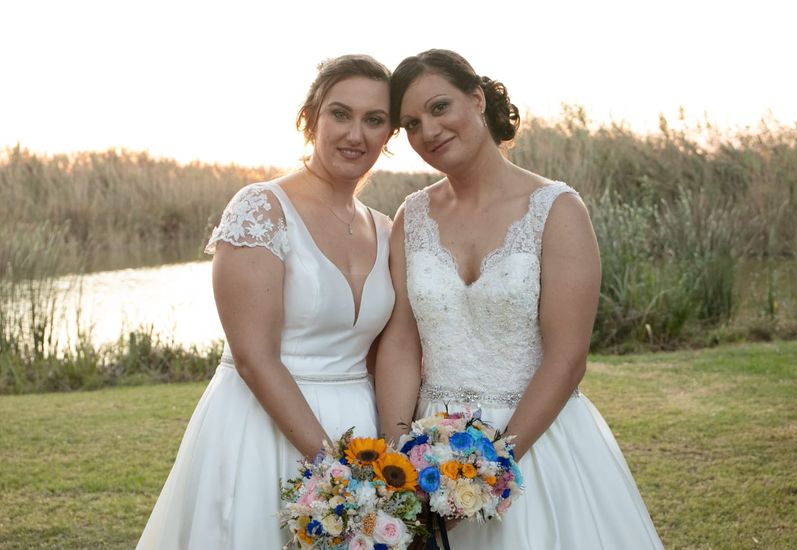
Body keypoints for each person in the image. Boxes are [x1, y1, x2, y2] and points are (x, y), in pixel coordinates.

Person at [376, 49, 663, 549]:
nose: (429, 131)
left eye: (440, 107)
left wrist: (487, 471)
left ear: (477, 98)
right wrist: (397, 461)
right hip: (429, 455)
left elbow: (567, 359)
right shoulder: (411, 216)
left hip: (537, 445)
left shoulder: (557, 210)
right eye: (411, 124)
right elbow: (400, 343)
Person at [137, 54, 395, 549]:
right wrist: (335, 472)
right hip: (260, 428)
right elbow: (255, 359)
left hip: (358, 429)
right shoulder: (261, 209)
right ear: (310, 119)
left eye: (374, 120)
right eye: (340, 114)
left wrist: (378, 458)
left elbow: (382, 352)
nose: (355, 134)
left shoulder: (385, 228)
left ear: (389, 135)